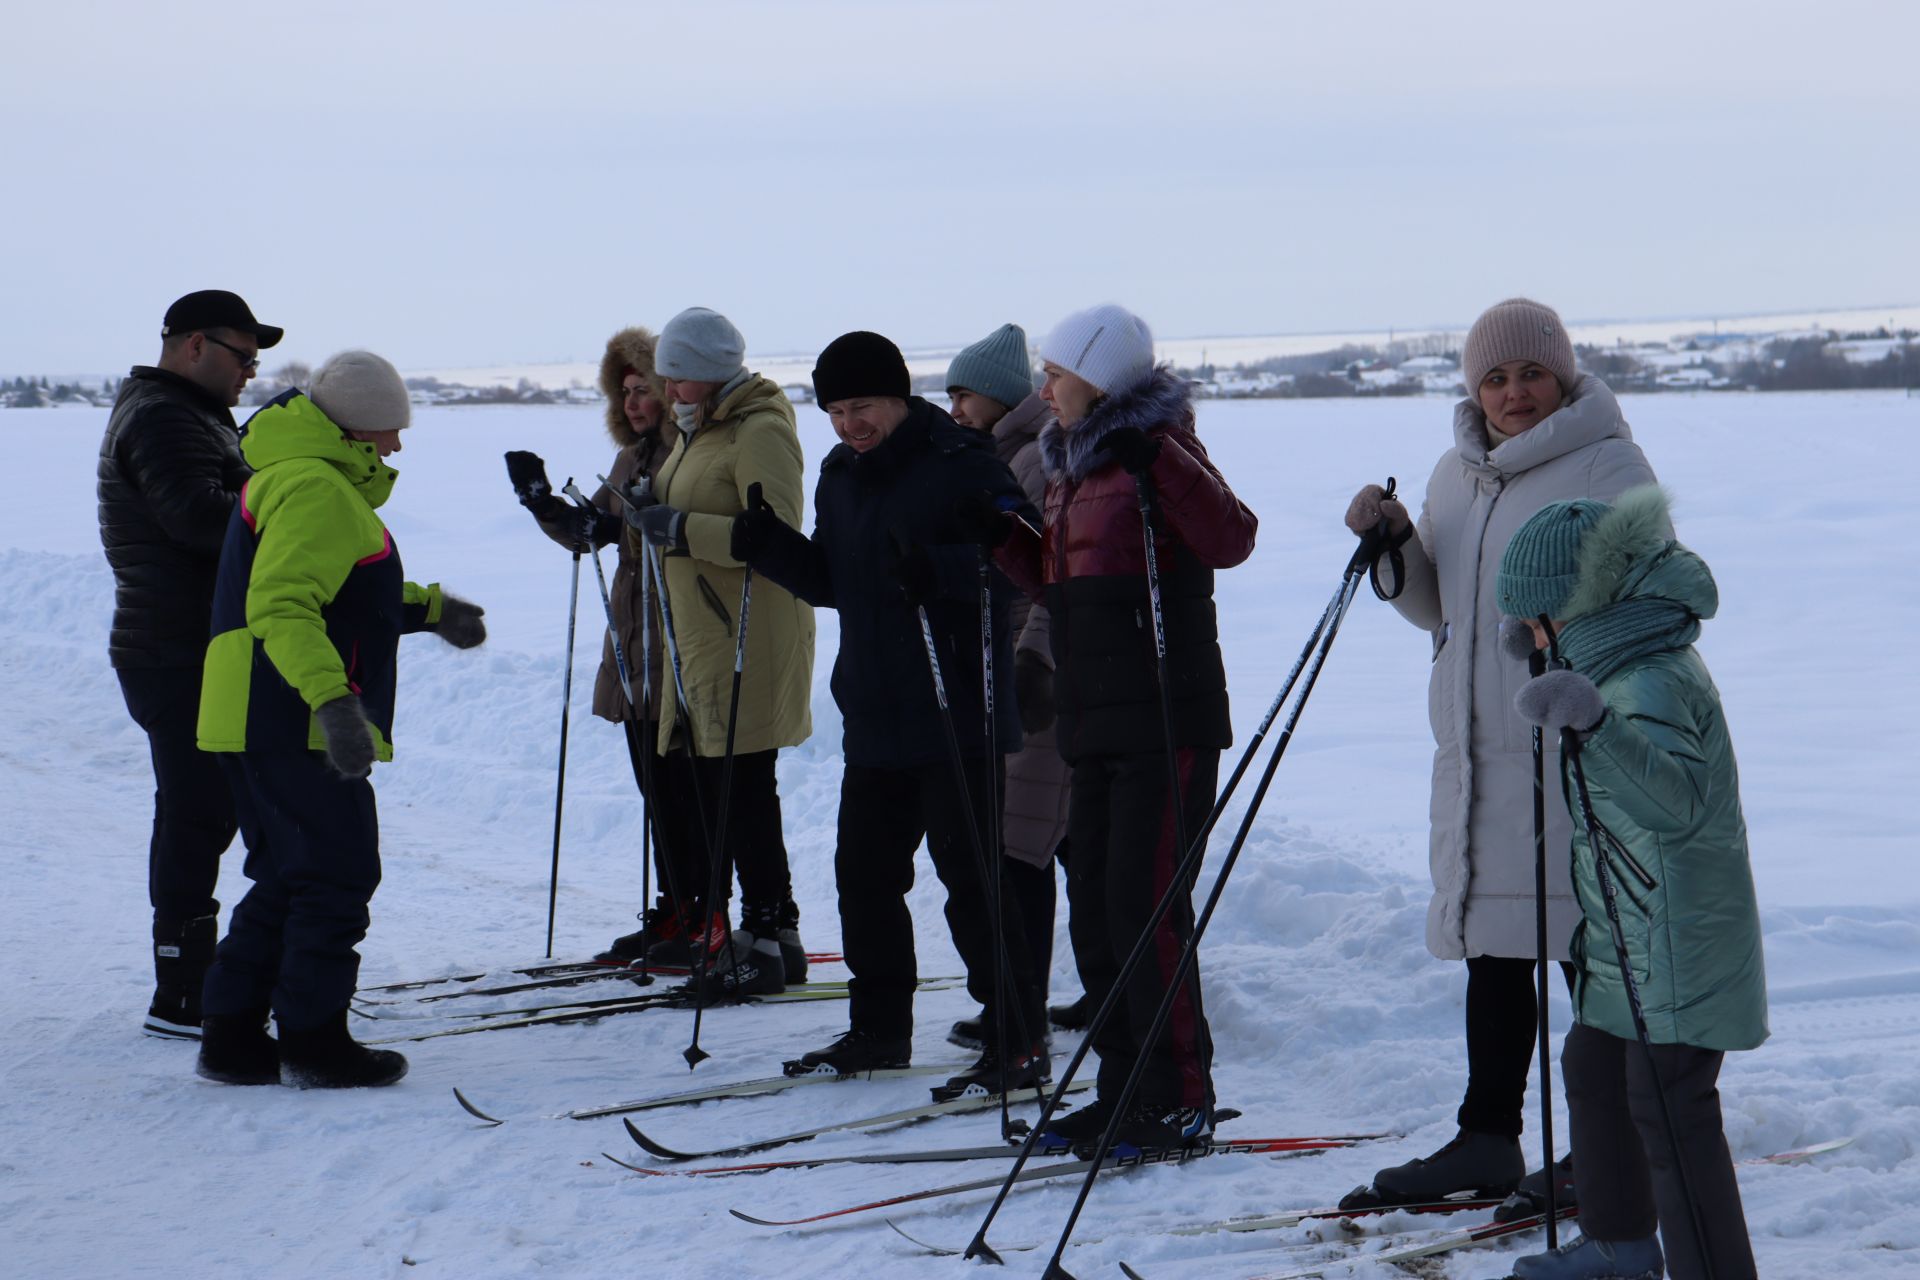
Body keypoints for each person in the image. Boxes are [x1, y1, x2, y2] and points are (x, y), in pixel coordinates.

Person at [1342, 298, 1661, 1206]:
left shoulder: (1608, 464)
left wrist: (1575, 647)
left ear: (1563, 374)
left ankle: (1612, 1147)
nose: (1514, 393)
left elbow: (1653, 604)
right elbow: (1440, 611)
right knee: (1497, 949)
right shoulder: (1457, 473)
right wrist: (1396, 544)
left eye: (1530, 373)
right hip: (1481, 750)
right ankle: (1487, 1138)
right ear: (1472, 388)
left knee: (1586, 952)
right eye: (1494, 377)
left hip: (1572, 746)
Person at [730, 330, 1048, 1101]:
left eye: (861, 406)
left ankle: (1016, 1039)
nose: (848, 424)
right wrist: (771, 548)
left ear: (900, 396)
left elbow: (1019, 569)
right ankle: (879, 1030)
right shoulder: (842, 474)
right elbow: (839, 579)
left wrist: (936, 568)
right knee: (863, 878)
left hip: (954, 712)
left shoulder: (963, 461)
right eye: (835, 410)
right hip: (875, 710)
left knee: (972, 883)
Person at [979, 304, 1258, 1151]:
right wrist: (997, 537)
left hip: (1166, 715)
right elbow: (1063, 585)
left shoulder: (1155, 449)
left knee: (1147, 910)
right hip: (1092, 717)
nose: (1044, 387)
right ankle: (1124, 1084)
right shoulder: (1069, 464)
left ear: (1097, 377)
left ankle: (1177, 1095)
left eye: (1056, 373)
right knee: (1098, 912)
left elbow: (1231, 538)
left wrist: (1161, 460)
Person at [1492, 486, 1766, 1280]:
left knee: (1671, 1108)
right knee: (1593, 1067)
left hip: (1678, 940)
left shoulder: (1647, 681)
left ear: (1575, 610)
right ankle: (1620, 1244)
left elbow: (1676, 806)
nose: (1530, 639)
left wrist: (1595, 728)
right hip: (1627, 932)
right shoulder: (1610, 662)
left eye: (1537, 621)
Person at [193, 351, 487, 1088]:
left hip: (253, 711)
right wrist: (333, 703)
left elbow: (342, 589)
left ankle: (230, 1037)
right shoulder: (319, 486)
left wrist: (430, 609)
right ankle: (316, 1042)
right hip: (291, 716)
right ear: (356, 427)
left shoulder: (294, 473)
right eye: (390, 429)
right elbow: (284, 605)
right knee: (336, 873)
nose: (397, 445)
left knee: (289, 875)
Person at [98, 289, 283, 1038]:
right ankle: (181, 989)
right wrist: (284, 493)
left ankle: (196, 977)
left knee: (203, 810)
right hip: (175, 651)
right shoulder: (165, 416)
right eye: (243, 356)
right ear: (194, 345)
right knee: (195, 814)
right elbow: (198, 519)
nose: (250, 371)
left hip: (183, 644)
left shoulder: (186, 412)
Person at [503, 327, 711, 966]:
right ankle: (676, 906)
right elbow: (588, 536)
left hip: (682, 641)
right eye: (623, 394)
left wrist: (617, 525)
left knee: (688, 790)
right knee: (656, 787)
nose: (633, 405)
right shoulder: (632, 459)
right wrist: (542, 504)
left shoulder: (689, 454)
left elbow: (672, 531)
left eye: (643, 389)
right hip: (633, 646)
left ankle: (706, 914)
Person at [623, 307, 814, 996]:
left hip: (747, 633)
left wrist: (679, 527)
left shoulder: (760, 428)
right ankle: (769, 935)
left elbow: (778, 534)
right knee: (719, 790)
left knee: (742, 790)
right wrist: (652, 502)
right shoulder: (696, 428)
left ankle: (767, 937)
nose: (668, 389)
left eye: (678, 377)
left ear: (707, 373)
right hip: (701, 637)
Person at [944, 322, 1077, 1049]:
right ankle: (1097, 998)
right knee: (1061, 843)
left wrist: (1030, 661)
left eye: (966, 396)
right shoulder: (1009, 452)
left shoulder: (1029, 460)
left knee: (1019, 846)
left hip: (1038, 677)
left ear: (999, 396)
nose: (957, 410)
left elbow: (1046, 577)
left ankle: (1018, 1012)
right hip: (1031, 671)